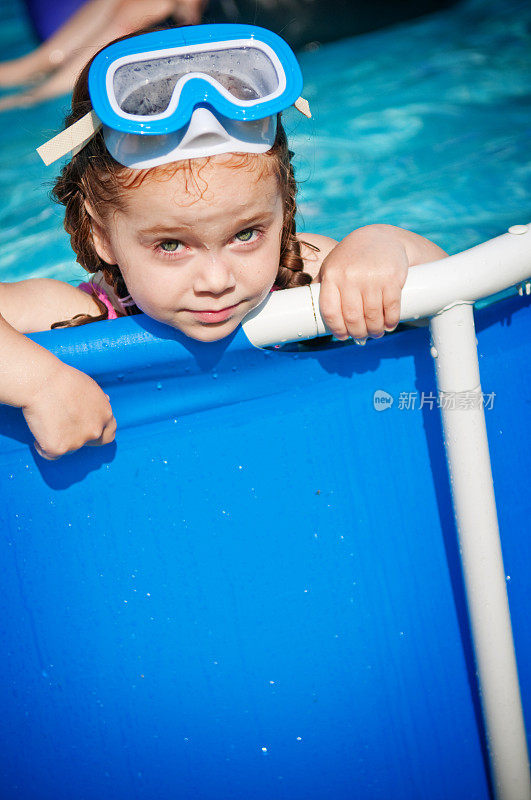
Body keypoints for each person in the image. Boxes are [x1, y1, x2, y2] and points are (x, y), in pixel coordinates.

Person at [0, 23, 447, 461]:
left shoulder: (311, 270)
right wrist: (39, 381)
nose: (216, 281)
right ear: (103, 237)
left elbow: (459, 304)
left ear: (283, 209)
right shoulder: (78, 315)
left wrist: (386, 245)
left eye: (247, 234)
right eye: (171, 245)